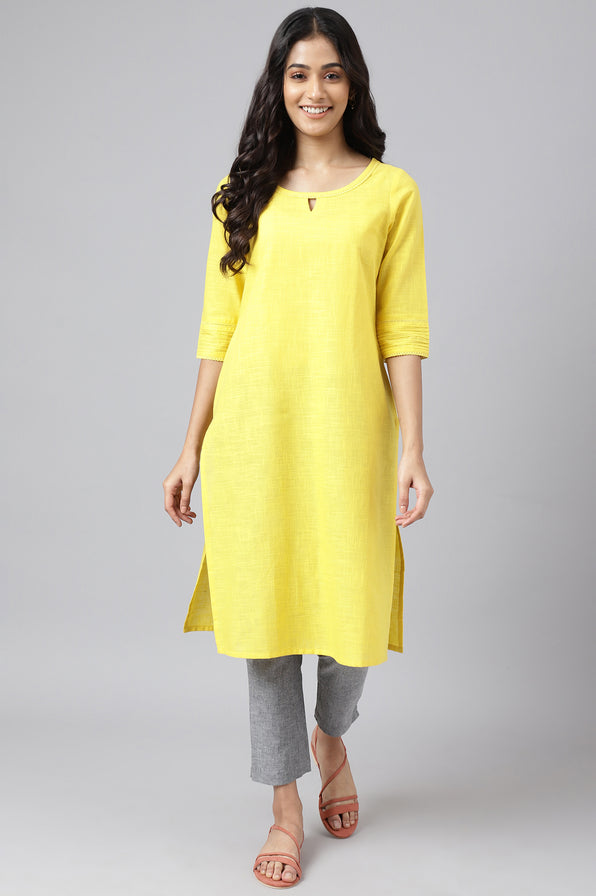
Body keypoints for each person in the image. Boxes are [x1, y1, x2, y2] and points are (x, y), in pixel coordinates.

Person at [163, 6, 433, 888]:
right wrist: (190, 446)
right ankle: (284, 806)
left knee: (353, 614)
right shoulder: (240, 193)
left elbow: (402, 329)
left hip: (350, 437)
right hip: (254, 437)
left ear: (352, 84)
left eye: (331, 73)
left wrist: (414, 449)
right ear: (277, 85)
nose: (315, 90)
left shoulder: (391, 193)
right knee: (267, 624)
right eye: (298, 74)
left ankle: (332, 737)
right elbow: (218, 328)